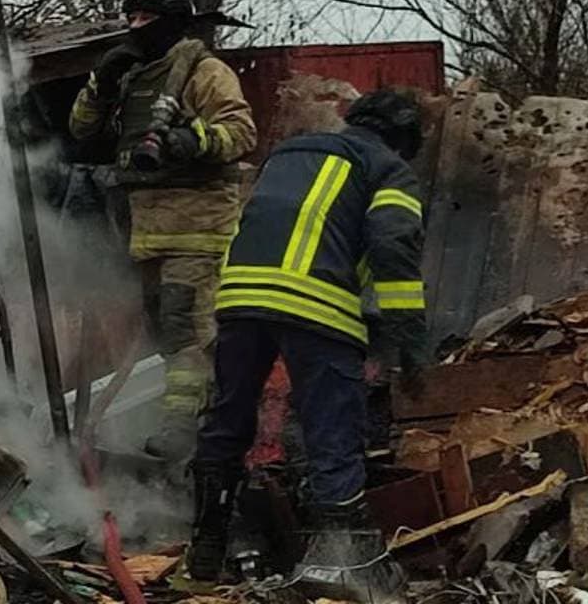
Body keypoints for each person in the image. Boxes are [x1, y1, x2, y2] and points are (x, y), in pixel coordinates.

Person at [185, 88, 431, 604]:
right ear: (403, 137)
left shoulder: (291, 152)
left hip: (239, 297)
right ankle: (342, 562)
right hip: (316, 303)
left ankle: (205, 549)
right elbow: (392, 244)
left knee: (228, 421)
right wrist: (407, 336)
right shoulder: (389, 168)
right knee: (333, 430)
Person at [69, 0, 255, 460]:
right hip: (145, 228)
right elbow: (82, 130)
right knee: (163, 330)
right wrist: (103, 81)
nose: (135, 29)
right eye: (130, 20)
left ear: (171, 21)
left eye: (144, 20)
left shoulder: (205, 71)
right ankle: (190, 418)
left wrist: (189, 140)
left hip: (197, 225)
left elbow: (240, 131)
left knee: (186, 327)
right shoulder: (134, 76)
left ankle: (184, 432)